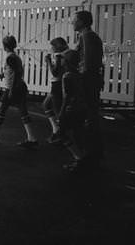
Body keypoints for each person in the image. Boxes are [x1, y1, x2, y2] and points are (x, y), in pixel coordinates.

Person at [0, 35, 38, 148]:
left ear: (5, 46)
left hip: (13, 87)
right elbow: (7, 74)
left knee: (1, 108)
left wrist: (11, 90)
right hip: (19, 86)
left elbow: (16, 74)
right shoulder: (14, 57)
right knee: (22, 111)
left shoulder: (10, 58)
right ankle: (32, 138)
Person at [72, 9, 105, 167]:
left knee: (87, 119)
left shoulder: (87, 36)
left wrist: (79, 82)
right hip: (91, 81)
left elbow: (88, 64)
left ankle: (88, 156)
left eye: (75, 20)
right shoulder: (88, 36)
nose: (72, 22)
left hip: (87, 82)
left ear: (82, 22)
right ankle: (91, 155)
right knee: (90, 118)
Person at [57, 49, 87, 172]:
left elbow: (67, 96)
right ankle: (81, 158)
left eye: (63, 58)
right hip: (81, 107)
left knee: (62, 133)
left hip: (71, 108)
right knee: (77, 133)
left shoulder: (67, 76)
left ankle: (78, 157)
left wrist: (61, 112)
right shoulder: (79, 74)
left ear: (67, 61)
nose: (61, 60)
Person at [43, 37, 69, 143]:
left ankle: (61, 136)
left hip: (57, 85)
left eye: (52, 46)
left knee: (58, 111)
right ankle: (56, 130)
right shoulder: (65, 55)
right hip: (57, 84)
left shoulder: (59, 56)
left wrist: (48, 61)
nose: (51, 48)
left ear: (57, 47)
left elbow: (55, 72)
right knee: (46, 105)